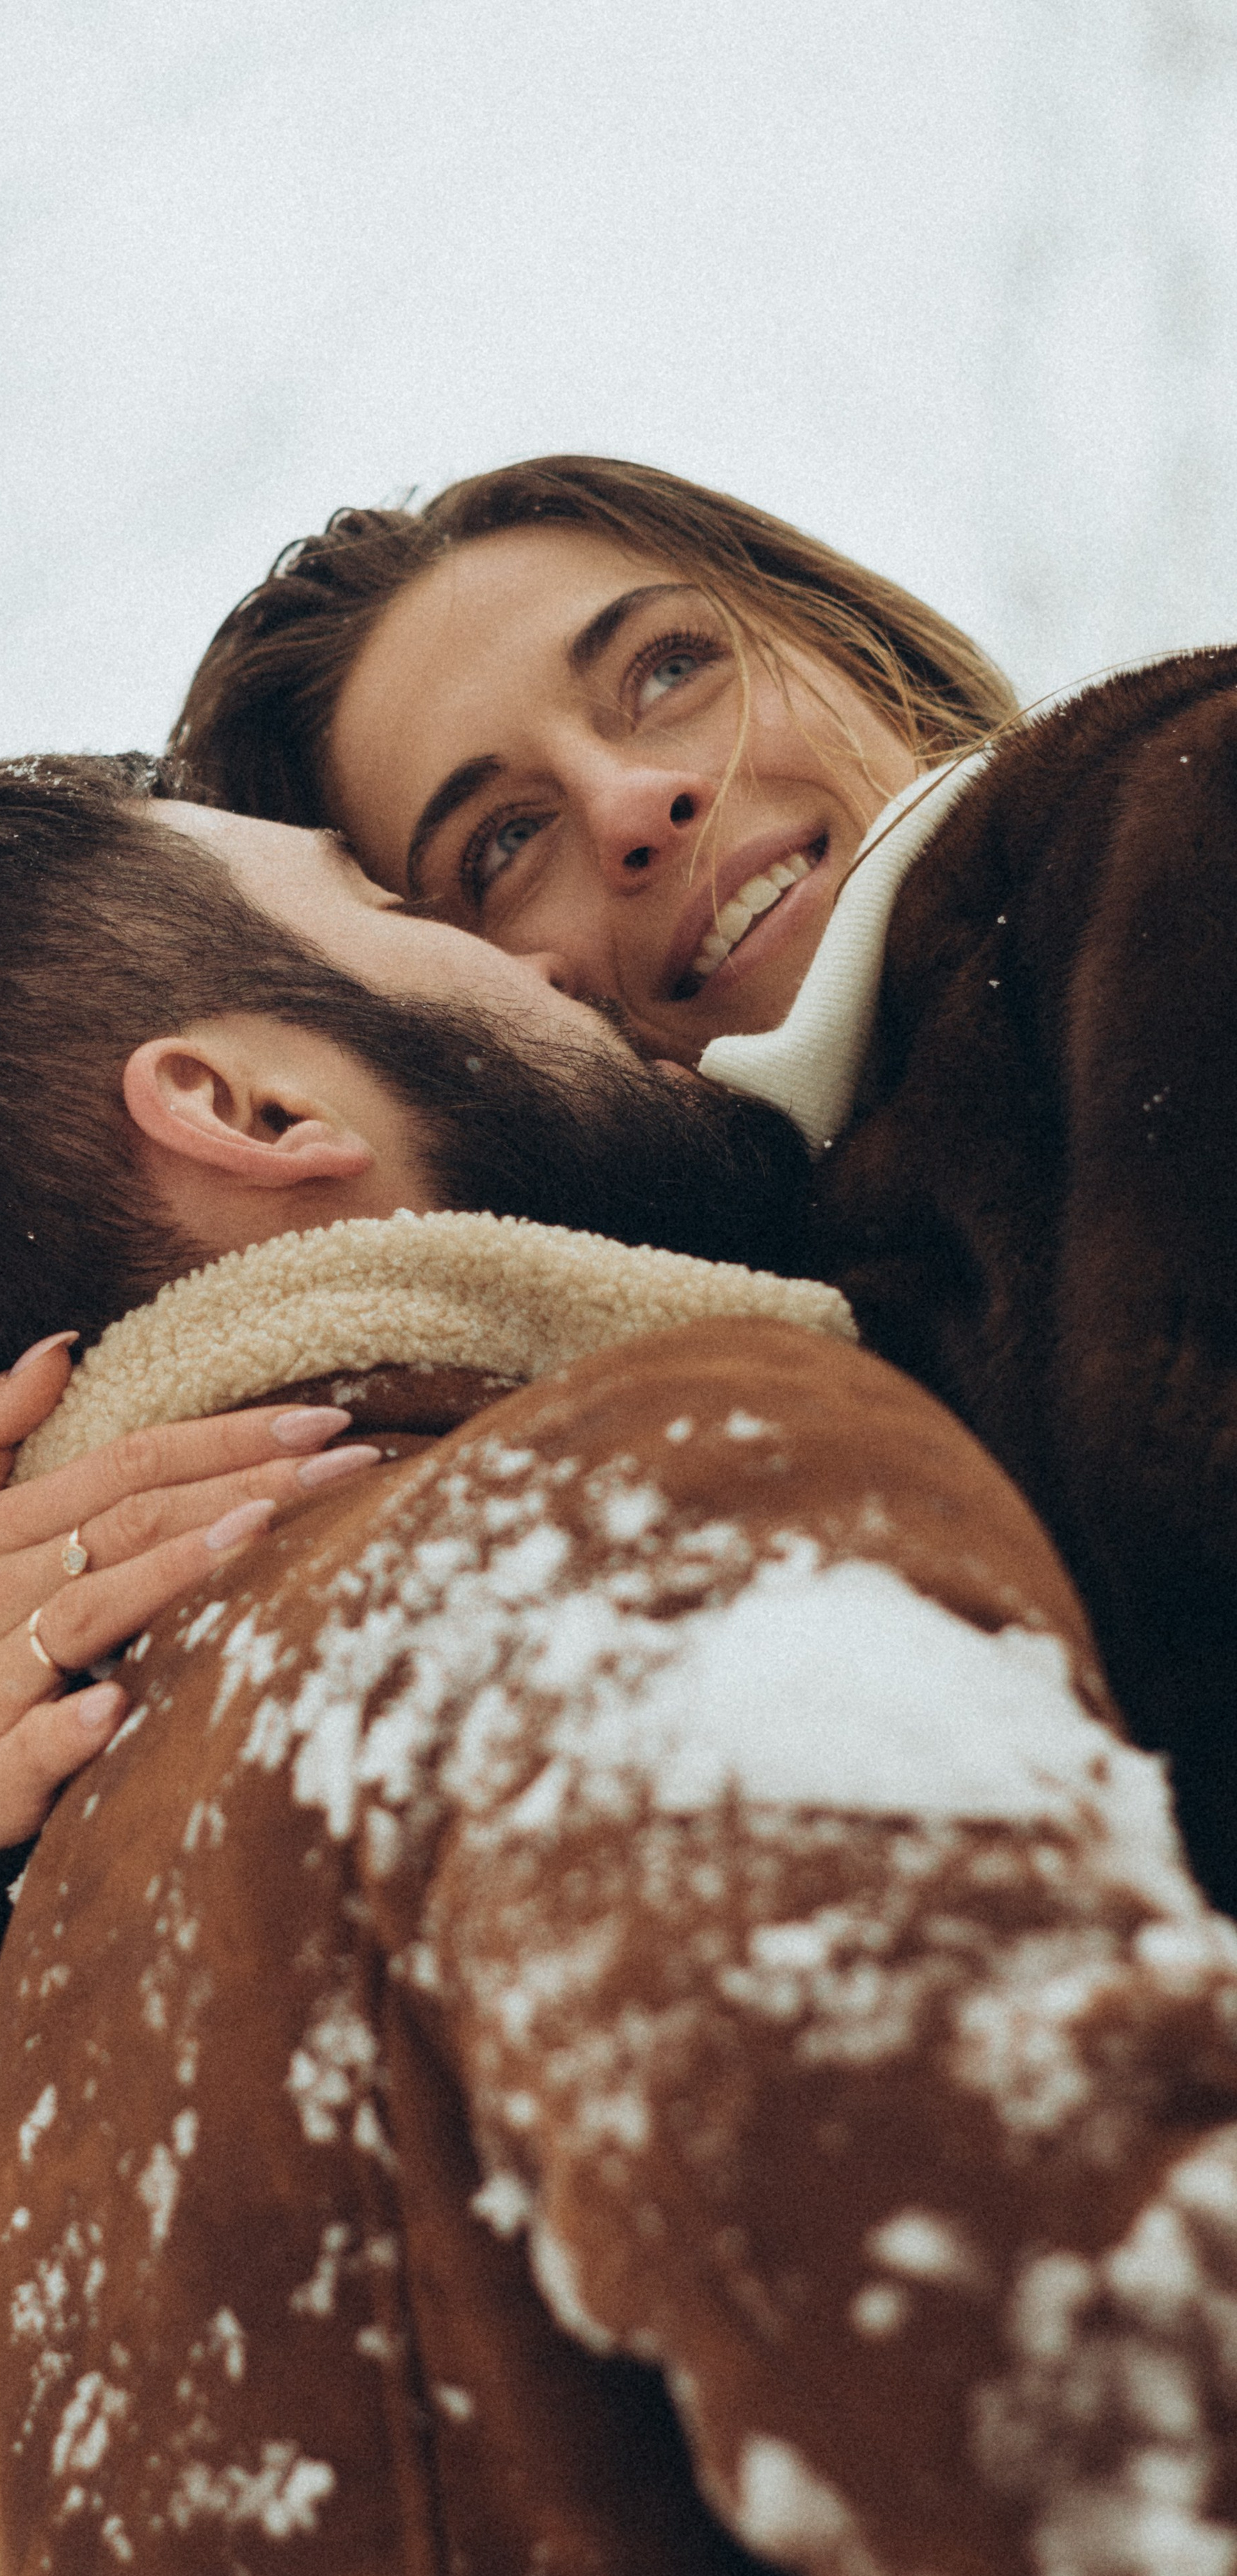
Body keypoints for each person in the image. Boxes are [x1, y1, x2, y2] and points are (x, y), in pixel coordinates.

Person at [0, 754, 1237, 2576]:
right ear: (253, 1107)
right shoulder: (620, 1510)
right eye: (401, 903)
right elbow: (1107, 2455)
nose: (542, 965)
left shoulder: (62, 1948)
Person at [170, 453, 1237, 1907]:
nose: (634, 800)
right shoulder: (671, 1372)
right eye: (499, 843)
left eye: (667, 668)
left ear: (845, 646)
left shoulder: (1189, 834)